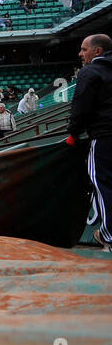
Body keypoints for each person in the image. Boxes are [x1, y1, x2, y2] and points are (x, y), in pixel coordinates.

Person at [67, 34, 112, 250]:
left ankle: (109, 234)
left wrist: (73, 134)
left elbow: (81, 107)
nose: (80, 54)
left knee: (102, 183)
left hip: (104, 138)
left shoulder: (90, 71)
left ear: (97, 51)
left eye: (84, 49)